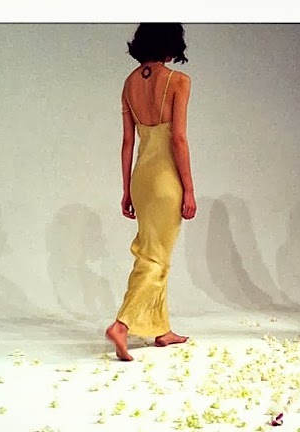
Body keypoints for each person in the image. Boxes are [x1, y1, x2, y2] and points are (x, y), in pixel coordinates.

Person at [105, 23, 197, 361]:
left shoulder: (129, 83)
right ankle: (123, 324)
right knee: (156, 258)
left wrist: (126, 189)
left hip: (141, 178)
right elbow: (178, 139)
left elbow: (127, 142)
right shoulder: (179, 81)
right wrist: (189, 189)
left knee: (152, 252)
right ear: (172, 44)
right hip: (165, 179)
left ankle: (161, 329)